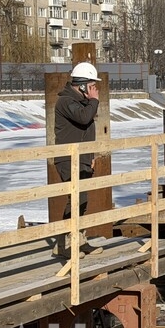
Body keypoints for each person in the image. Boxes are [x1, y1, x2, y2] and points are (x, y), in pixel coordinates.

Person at [53, 61, 103, 256]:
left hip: (81, 157)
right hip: (68, 158)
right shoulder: (66, 101)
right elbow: (83, 118)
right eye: (91, 86)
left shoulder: (82, 103)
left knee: (82, 200)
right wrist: (94, 100)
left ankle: (79, 240)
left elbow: (87, 132)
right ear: (82, 86)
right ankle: (65, 244)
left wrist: (90, 157)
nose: (95, 90)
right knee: (75, 198)